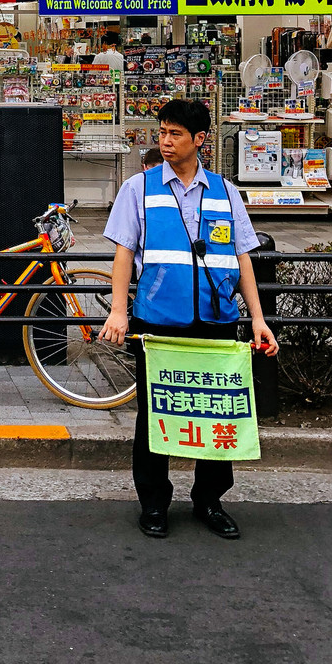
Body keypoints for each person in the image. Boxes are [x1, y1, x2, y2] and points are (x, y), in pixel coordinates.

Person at [100, 99, 278, 541]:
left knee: (214, 409)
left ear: (200, 140)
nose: (165, 140)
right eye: (162, 131)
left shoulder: (226, 192)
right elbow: (124, 253)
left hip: (217, 320)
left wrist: (257, 319)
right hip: (157, 322)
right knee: (155, 414)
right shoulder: (137, 189)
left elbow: (242, 258)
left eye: (175, 133)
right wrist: (119, 311)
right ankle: (155, 503)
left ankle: (209, 500)